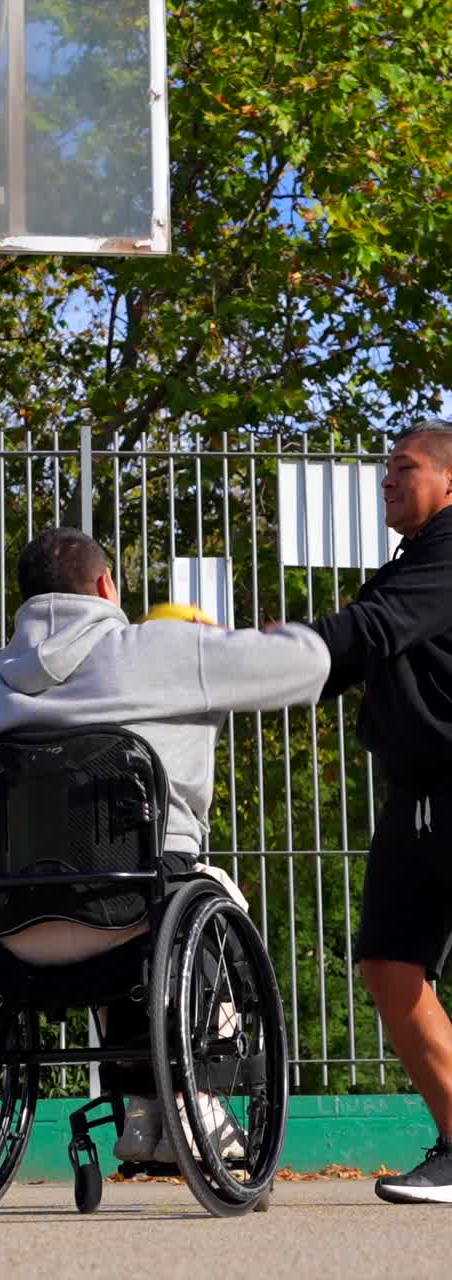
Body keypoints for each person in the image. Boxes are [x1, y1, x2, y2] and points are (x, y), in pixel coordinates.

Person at [0, 525, 330, 1162]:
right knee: (192, 894)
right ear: (105, 587)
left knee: (137, 902)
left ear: (25, 601)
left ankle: (144, 1116)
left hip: (18, 925)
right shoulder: (166, 648)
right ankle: (198, 1100)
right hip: (141, 907)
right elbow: (310, 665)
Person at [309, 419, 452, 1204]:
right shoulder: (407, 568)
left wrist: (275, 646)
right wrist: (222, 670)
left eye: (405, 468)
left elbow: (369, 630)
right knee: (392, 963)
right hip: (417, 794)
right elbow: (350, 656)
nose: (389, 480)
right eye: (385, 470)